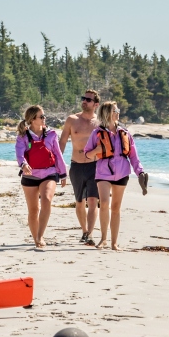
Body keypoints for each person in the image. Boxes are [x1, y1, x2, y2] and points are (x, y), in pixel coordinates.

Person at [82, 100, 143, 251]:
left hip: (122, 173)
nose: (118, 113)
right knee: (104, 203)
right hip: (103, 173)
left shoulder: (125, 133)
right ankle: (103, 239)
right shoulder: (97, 133)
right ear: (108, 113)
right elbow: (87, 154)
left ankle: (114, 243)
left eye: (118, 110)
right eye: (116, 110)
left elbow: (133, 157)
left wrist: (140, 171)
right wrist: (96, 150)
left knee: (116, 207)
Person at [14, 105, 68, 249]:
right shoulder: (23, 136)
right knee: (33, 210)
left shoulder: (51, 134)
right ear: (32, 119)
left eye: (44, 116)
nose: (45, 119)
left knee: (47, 199)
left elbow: (57, 154)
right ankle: (36, 239)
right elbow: (19, 154)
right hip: (29, 175)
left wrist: (63, 173)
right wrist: (23, 165)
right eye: (42, 116)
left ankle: (40, 235)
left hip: (49, 173)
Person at [60, 90, 101, 246]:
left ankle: (89, 234)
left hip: (96, 166)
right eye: (83, 98)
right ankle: (84, 230)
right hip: (76, 166)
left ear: (96, 104)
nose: (84, 101)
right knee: (79, 201)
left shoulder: (100, 122)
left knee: (92, 200)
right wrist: (57, 163)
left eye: (88, 100)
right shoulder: (72, 120)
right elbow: (62, 142)